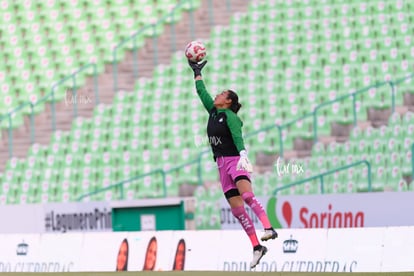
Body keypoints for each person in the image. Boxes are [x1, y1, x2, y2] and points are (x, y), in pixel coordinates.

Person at [188, 60, 278, 269]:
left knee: (247, 196)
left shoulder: (230, 116)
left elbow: (237, 136)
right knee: (237, 210)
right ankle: (257, 247)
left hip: (235, 160)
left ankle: (269, 227)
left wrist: (244, 154)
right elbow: (202, 93)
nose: (217, 95)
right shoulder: (213, 112)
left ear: (228, 102)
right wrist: (197, 73)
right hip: (221, 165)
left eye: (222, 94)